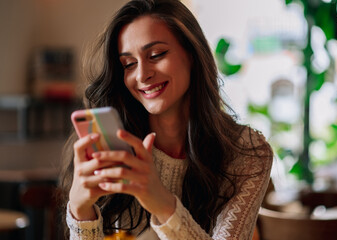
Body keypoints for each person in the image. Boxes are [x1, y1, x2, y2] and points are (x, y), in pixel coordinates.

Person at [59, 0, 273, 239]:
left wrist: (160, 202)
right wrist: (80, 212)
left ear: (192, 54)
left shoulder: (248, 152)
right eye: (129, 64)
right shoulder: (115, 146)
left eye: (156, 54)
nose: (142, 74)